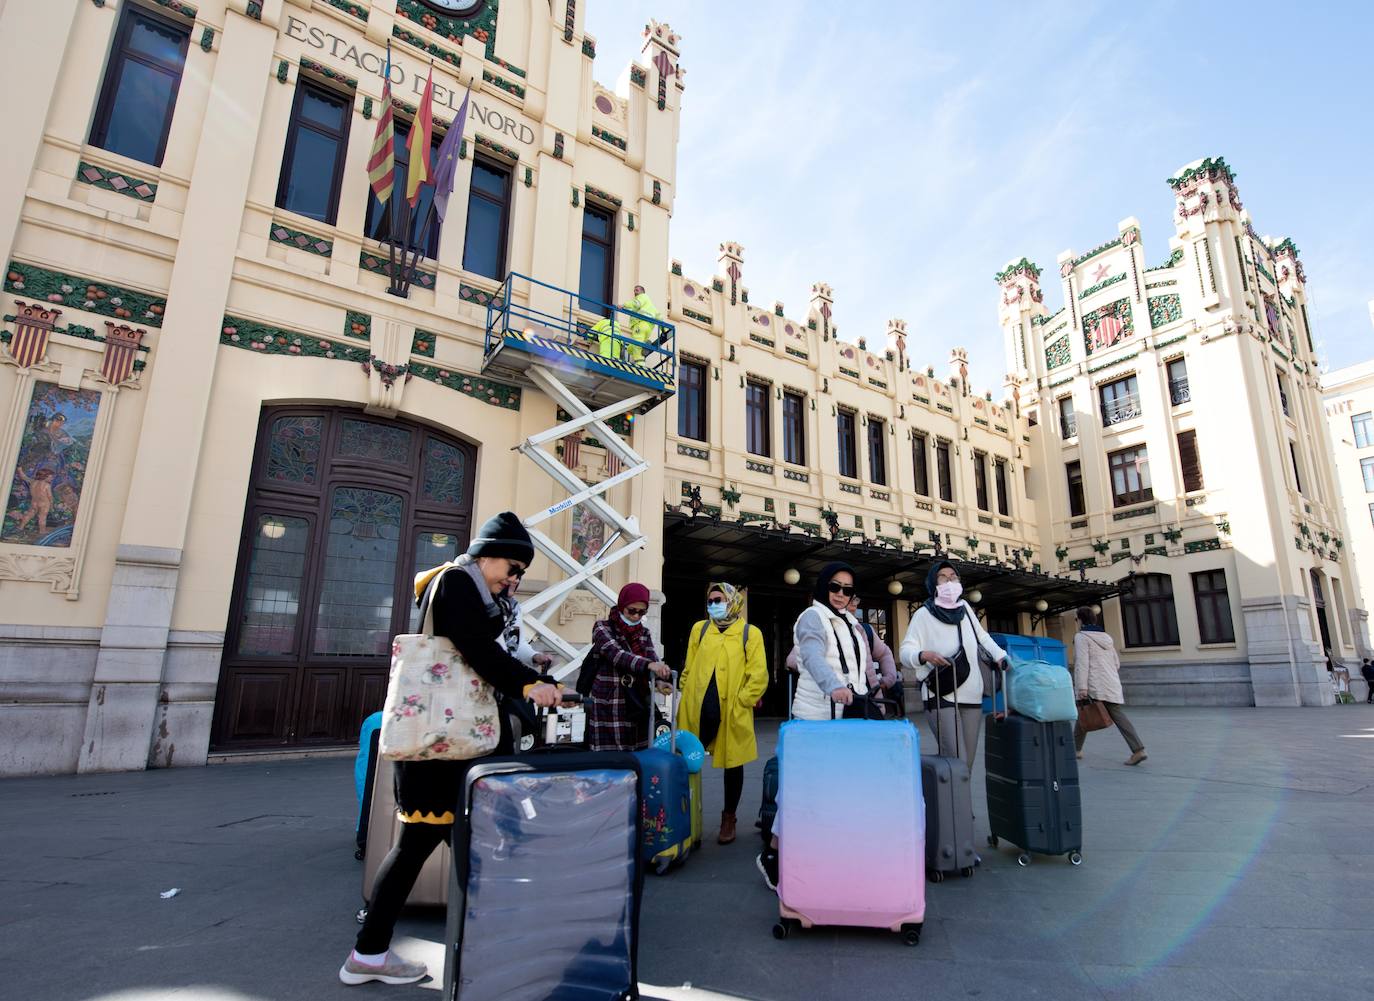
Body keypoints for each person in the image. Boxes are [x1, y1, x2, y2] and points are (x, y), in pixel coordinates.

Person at [341, 512, 562, 988]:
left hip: (444, 743)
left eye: (520, 571)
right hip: (442, 745)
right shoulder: (458, 584)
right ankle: (385, 952)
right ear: (486, 554)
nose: (514, 577)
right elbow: (478, 651)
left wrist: (529, 673)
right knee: (443, 845)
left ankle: (374, 953)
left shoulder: (470, 589)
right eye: (511, 566)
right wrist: (529, 686)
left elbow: (491, 647)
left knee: (443, 845)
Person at [756, 563, 872, 890]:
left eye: (847, 590)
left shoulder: (850, 621)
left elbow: (858, 667)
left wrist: (868, 690)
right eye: (835, 587)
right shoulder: (812, 617)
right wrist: (832, 685)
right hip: (816, 716)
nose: (840, 594)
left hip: (847, 715)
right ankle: (773, 856)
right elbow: (811, 655)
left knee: (834, 791)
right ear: (823, 587)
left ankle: (820, 852)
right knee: (801, 792)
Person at [678, 582, 768, 847]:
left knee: (733, 762)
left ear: (732, 602)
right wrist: (683, 690)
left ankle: (729, 817)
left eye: (718, 599)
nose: (713, 604)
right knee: (688, 761)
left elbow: (758, 674)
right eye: (710, 600)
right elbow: (689, 664)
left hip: (731, 709)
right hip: (697, 706)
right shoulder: (700, 629)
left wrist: (743, 701)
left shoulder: (750, 633)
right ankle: (686, 816)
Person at [899, 560, 1007, 770]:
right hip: (941, 695)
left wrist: (1001, 656)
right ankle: (953, 803)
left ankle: (957, 803)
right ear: (933, 583)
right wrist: (924, 655)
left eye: (953, 577)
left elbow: (983, 638)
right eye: (943, 577)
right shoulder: (923, 614)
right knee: (956, 761)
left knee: (967, 765)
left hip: (972, 696)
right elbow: (905, 653)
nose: (949, 581)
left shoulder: (965, 608)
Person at [586, 582, 672, 751]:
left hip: (636, 703)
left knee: (637, 759)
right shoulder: (602, 627)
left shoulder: (644, 633)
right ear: (621, 606)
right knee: (609, 759)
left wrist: (659, 681)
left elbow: (652, 659)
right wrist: (650, 665)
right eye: (631, 610)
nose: (635, 616)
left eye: (641, 612)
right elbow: (616, 655)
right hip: (609, 703)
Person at [1071, 606, 1146, 766]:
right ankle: (1138, 749)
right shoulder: (1106, 637)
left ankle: (1074, 750)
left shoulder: (1081, 637)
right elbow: (1116, 663)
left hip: (1093, 684)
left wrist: (1082, 687)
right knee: (1110, 715)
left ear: (1081, 620)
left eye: (1076, 619)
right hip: (1111, 682)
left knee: (1084, 713)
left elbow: (1082, 663)